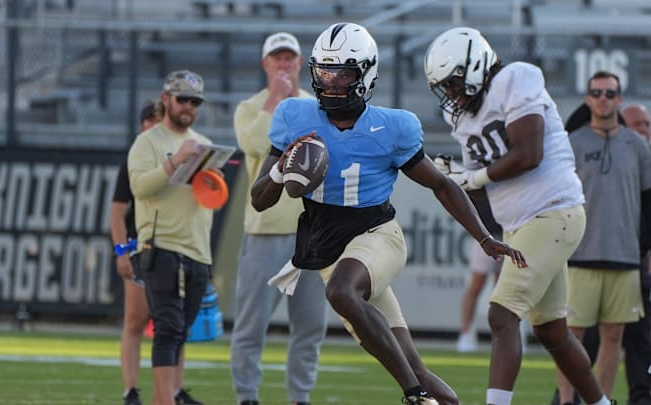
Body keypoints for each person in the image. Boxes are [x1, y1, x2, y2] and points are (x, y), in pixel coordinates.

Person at [251, 22, 526, 405]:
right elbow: (259, 200)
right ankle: (428, 392)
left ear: (366, 74)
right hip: (327, 249)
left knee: (342, 292)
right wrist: (282, 170)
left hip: (377, 236)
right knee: (414, 365)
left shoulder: (391, 127)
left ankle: (413, 396)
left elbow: (442, 185)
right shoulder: (294, 116)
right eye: (324, 71)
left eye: (342, 73)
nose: (331, 82)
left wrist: (483, 237)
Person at [423, 27, 613, 405]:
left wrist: (472, 176)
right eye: (447, 86)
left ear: (476, 65)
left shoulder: (515, 78)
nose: (454, 93)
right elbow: (480, 184)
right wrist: (457, 177)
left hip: (553, 212)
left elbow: (529, 153)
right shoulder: (461, 116)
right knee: (552, 331)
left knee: (500, 315)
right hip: (521, 225)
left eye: (456, 81)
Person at [230, 32, 328, 405]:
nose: (284, 65)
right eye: (277, 59)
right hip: (266, 231)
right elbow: (255, 144)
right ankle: (247, 395)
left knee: (310, 325)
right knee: (251, 323)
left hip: (311, 233)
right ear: (265, 65)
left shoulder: (314, 106)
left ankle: (300, 396)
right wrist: (274, 99)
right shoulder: (250, 107)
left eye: (290, 59)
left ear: (301, 64)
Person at [555, 71, 651, 404]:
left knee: (614, 337)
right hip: (580, 255)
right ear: (588, 98)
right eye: (596, 92)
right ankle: (566, 401)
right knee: (571, 336)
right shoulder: (573, 142)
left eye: (610, 93)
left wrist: (643, 249)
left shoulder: (637, 145)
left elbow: (647, 201)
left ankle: (603, 400)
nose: (603, 99)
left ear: (619, 99)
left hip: (625, 258)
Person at [127, 70, 215, 405]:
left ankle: (165, 397)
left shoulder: (204, 144)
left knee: (180, 333)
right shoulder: (147, 142)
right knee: (167, 329)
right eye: (183, 99)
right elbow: (139, 187)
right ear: (166, 99)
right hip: (161, 246)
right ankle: (165, 400)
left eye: (195, 102)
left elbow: (208, 203)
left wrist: (211, 180)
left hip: (196, 250)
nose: (189, 107)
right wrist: (175, 162)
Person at [111, 100, 203, 405]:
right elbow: (118, 211)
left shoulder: (176, 154)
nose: (154, 128)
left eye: (157, 121)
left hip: (172, 244)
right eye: (149, 122)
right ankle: (131, 389)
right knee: (136, 319)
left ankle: (172, 390)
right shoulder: (138, 155)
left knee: (174, 324)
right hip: (144, 245)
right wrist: (122, 250)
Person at [455, 196, 502, 353]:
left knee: (504, 289)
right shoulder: (481, 176)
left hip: (511, 233)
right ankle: (466, 333)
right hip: (485, 236)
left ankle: (505, 334)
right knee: (477, 284)